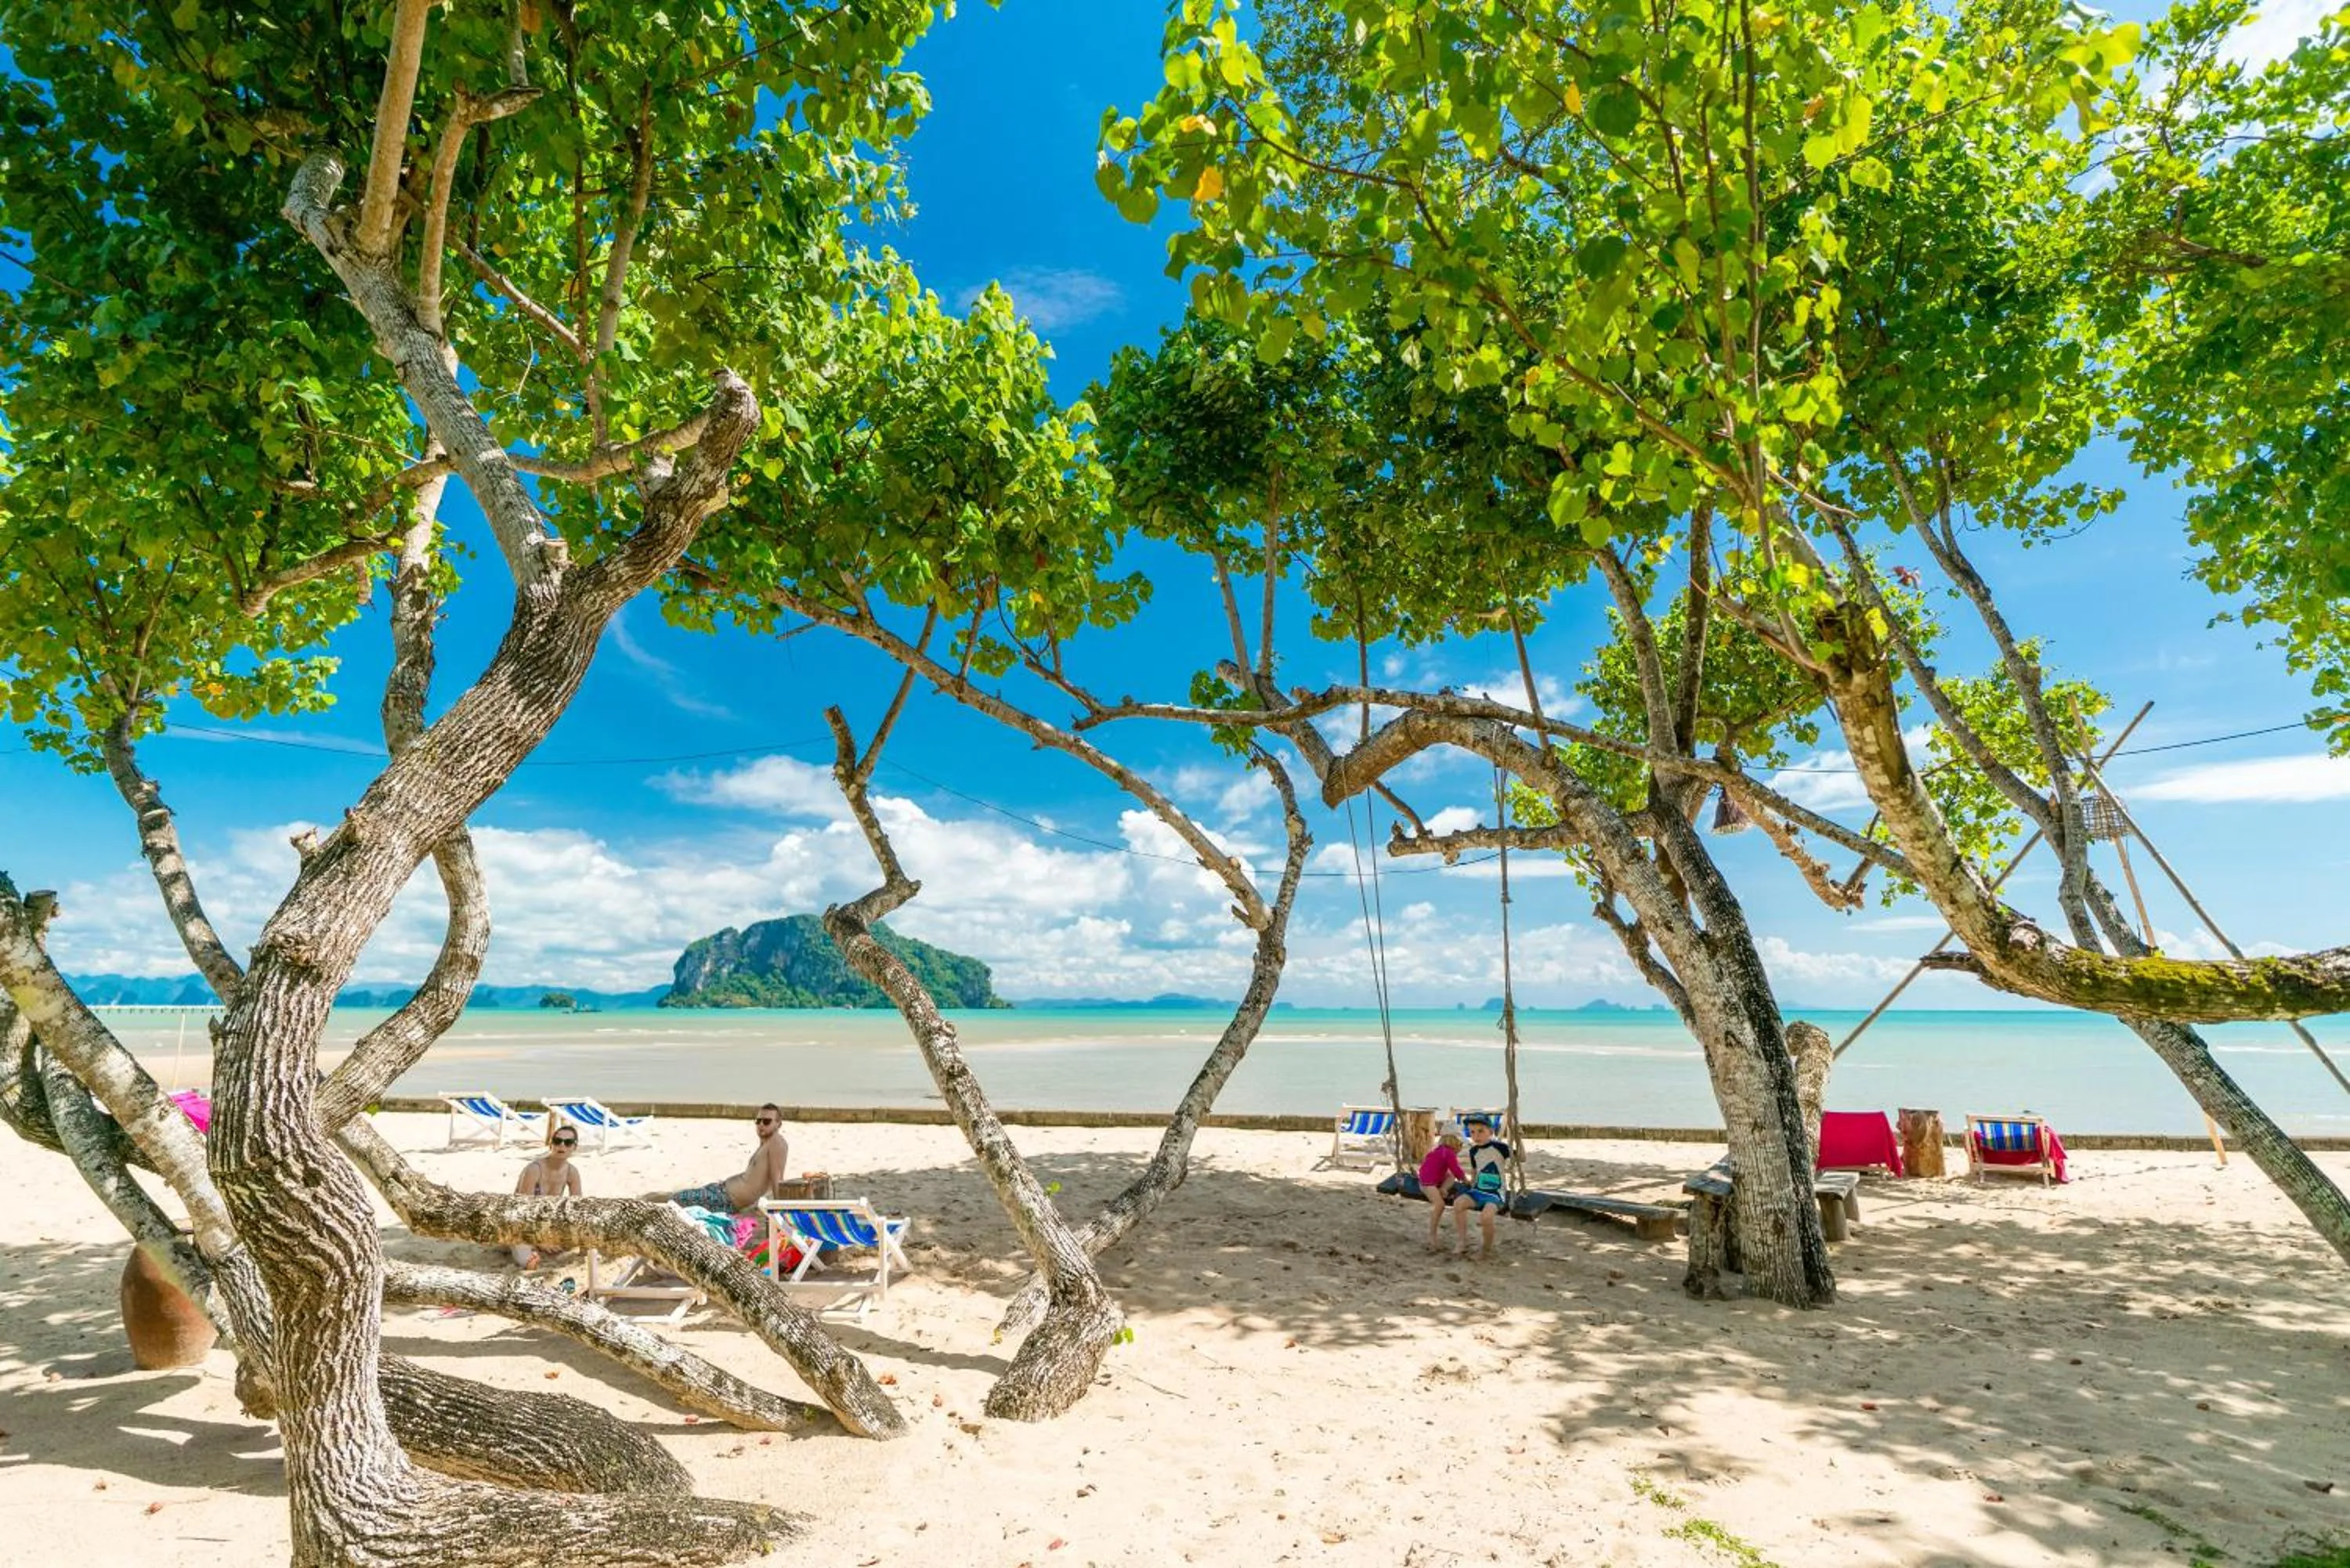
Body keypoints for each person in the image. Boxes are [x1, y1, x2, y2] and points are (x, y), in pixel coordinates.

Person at [671, 1102, 791, 1213]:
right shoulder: (766, 1144)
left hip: (726, 1200)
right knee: (677, 1199)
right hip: (721, 1192)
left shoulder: (777, 1143)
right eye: (758, 1121)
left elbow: (778, 1180)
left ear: (779, 1124)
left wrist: (780, 1212)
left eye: (766, 1121)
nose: (761, 1125)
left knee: (677, 1200)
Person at [511, 1122, 583, 1268]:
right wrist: (539, 1240)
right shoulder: (534, 1169)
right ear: (551, 1144)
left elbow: (578, 1208)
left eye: (568, 1143)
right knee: (529, 1262)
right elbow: (522, 1210)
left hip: (547, 1222)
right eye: (557, 1141)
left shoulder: (572, 1172)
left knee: (584, 1244)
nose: (562, 1146)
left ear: (575, 1147)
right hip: (522, 1224)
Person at [1449, 1116, 1511, 1259]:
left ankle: (1486, 1249)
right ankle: (1462, 1242)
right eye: (1472, 1132)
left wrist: (1519, 1142)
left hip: (1496, 1193)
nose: (1476, 1136)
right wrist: (1471, 1182)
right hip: (1478, 1190)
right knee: (1458, 1204)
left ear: (1490, 1131)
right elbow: (1475, 1169)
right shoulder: (1473, 1151)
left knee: (1486, 1217)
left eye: (1480, 1131)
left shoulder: (1500, 1148)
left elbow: (1521, 1158)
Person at [1418, 1132, 1467, 1252]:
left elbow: (1434, 1166)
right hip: (1427, 1183)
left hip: (1431, 1179)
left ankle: (1443, 1188)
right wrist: (1466, 1181)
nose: (1459, 1150)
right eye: (1460, 1146)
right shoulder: (1449, 1153)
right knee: (1440, 1205)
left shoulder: (1439, 1151)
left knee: (1449, 1176)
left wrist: (1443, 1185)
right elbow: (1457, 1170)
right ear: (1454, 1144)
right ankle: (1432, 1237)